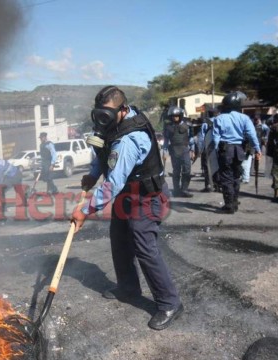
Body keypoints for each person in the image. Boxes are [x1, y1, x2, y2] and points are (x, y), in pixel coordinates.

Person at [71, 86, 183, 331]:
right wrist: (92, 175)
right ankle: (128, 287)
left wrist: (85, 210)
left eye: (107, 114)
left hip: (146, 196)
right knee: (119, 238)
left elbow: (113, 183)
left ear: (122, 110)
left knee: (144, 246)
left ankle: (169, 303)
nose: (102, 119)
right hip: (127, 194)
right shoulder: (111, 126)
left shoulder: (130, 139)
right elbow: (101, 153)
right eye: (99, 113)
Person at [212, 91, 261, 214]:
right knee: (236, 176)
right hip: (239, 150)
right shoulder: (244, 118)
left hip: (225, 150)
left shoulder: (219, 118)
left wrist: (216, 150)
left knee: (226, 177)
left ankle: (229, 205)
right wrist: (257, 149)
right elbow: (252, 135)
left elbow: (215, 138)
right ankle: (234, 202)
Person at [162, 106, 195, 197]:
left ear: (180, 116)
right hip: (174, 150)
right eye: (173, 116)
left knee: (187, 170)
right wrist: (164, 152)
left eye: (176, 116)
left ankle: (184, 189)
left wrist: (192, 150)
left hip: (185, 150)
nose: (175, 118)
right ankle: (176, 190)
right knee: (176, 171)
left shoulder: (187, 125)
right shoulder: (168, 127)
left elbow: (191, 139)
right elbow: (166, 141)